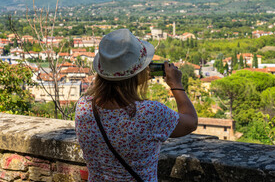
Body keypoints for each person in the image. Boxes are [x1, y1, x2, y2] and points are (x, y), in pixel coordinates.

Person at [75, 29, 198, 182]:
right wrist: (176, 84)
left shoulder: (83, 107)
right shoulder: (148, 112)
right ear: (138, 72)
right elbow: (191, 122)